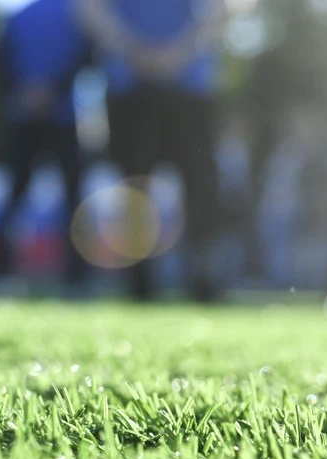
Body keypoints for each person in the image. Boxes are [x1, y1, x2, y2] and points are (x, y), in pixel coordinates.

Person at [78, 0, 228, 302]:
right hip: (130, 85)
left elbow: (226, 7)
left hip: (190, 86)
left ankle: (203, 273)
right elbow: (89, 7)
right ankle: (139, 278)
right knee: (135, 182)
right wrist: (133, 49)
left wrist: (182, 50)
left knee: (200, 184)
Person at [0, 0, 92, 296]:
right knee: (19, 199)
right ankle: (5, 275)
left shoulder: (74, 15)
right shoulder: (21, 18)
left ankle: (74, 279)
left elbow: (85, 58)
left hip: (59, 119)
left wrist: (36, 91)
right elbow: (0, 60)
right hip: (37, 120)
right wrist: (41, 92)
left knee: (70, 201)